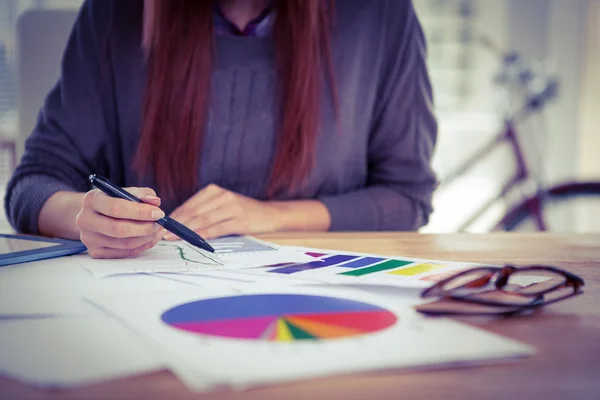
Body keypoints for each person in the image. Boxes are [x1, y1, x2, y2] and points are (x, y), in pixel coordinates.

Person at [4, 0, 438, 259]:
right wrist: (85, 216)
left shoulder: (381, 14)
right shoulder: (115, 13)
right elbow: (32, 185)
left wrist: (272, 217)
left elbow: (406, 197)